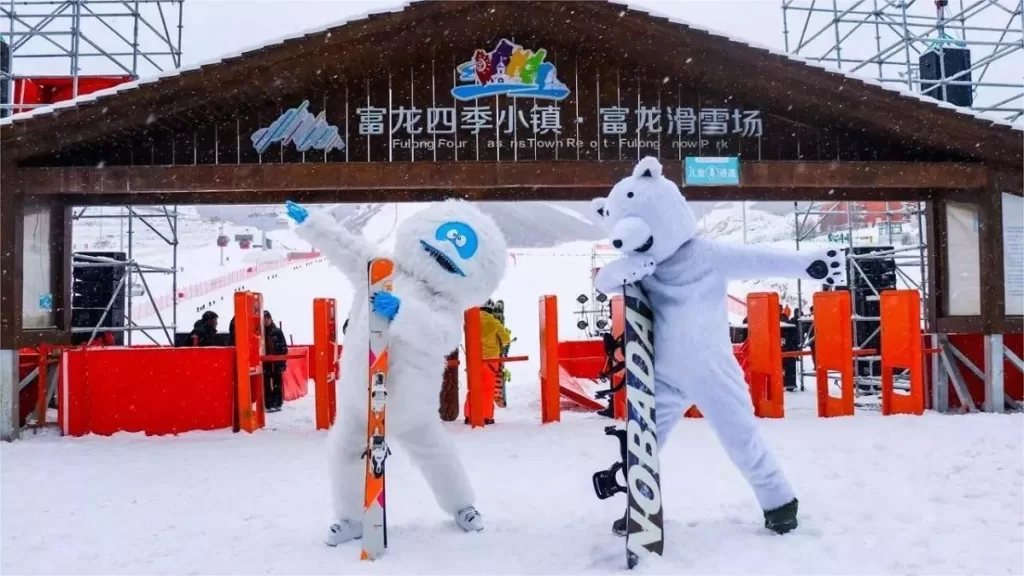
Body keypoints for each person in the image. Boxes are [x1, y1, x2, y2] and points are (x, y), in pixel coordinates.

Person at [591, 156, 847, 537]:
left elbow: (757, 259)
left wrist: (805, 264)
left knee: (740, 438)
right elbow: (606, 282)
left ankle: (779, 501)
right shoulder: (643, 267)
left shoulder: (704, 255)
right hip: (662, 374)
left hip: (712, 370)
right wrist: (617, 274)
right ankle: (640, 507)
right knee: (643, 445)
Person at [285, 198, 508, 545]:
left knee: (435, 453)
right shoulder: (379, 270)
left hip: (411, 405)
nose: (442, 253)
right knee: (344, 450)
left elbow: (441, 336)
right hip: (362, 395)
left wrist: (402, 312)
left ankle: (462, 505)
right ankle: (351, 517)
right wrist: (313, 223)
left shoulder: (445, 303)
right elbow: (346, 246)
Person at [463, 299, 510, 422]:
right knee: (487, 389)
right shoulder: (493, 322)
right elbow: (506, 339)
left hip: (473, 360)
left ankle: (469, 415)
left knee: (474, 388)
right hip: (490, 361)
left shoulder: (471, 320)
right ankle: (485, 416)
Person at [262, 310, 288, 413]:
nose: (266, 320)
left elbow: (284, 348)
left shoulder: (277, 331)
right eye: (264, 318)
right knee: (267, 384)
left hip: (276, 363)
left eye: (268, 318)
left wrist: (282, 362)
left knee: (277, 383)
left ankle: (277, 403)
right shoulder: (260, 332)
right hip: (266, 364)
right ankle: (269, 404)